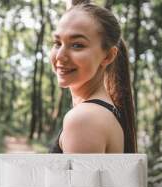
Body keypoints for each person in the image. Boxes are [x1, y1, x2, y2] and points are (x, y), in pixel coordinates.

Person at [49, 0, 137, 153]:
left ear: (108, 56)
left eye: (77, 45)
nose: (60, 56)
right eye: (57, 43)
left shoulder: (84, 119)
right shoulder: (100, 112)